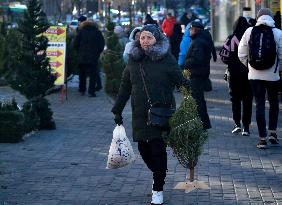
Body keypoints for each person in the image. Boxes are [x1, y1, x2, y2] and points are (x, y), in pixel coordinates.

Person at [111, 24, 190, 205]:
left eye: (149, 37)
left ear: (157, 39)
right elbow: (125, 85)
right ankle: (159, 172)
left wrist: (192, 95)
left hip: (160, 113)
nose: (145, 41)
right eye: (142, 37)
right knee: (143, 149)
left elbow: (180, 80)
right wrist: (117, 109)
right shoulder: (133, 59)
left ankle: (158, 188)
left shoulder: (166, 58)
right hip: (139, 113)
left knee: (157, 150)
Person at [238, 8, 282, 149]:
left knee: (260, 104)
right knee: (274, 103)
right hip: (273, 76)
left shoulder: (249, 31)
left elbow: (241, 53)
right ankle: (273, 133)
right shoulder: (278, 33)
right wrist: (277, 68)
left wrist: (250, 66)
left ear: (257, 18)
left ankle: (262, 139)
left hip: (254, 76)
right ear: (271, 18)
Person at [221, 16, 253, 136]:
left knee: (235, 99)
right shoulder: (250, 37)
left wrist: (231, 63)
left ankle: (237, 124)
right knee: (247, 100)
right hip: (249, 74)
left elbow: (224, 56)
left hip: (234, 74)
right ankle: (246, 127)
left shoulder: (231, 38)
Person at [184, 20, 214, 130]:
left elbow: (198, 58)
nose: (189, 31)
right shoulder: (199, 40)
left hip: (197, 74)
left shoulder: (198, 42)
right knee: (199, 99)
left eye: (190, 29)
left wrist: (186, 62)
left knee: (198, 100)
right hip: (199, 73)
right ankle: (203, 123)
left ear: (195, 30)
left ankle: (202, 123)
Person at [73, 20, 105, 97]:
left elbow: (75, 44)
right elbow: (101, 44)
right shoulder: (97, 32)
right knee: (93, 75)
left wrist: (79, 52)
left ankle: (82, 90)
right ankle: (91, 91)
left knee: (82, 75)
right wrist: (97, 53)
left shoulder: (81, 32)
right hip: (93, 57)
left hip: (82, 57)